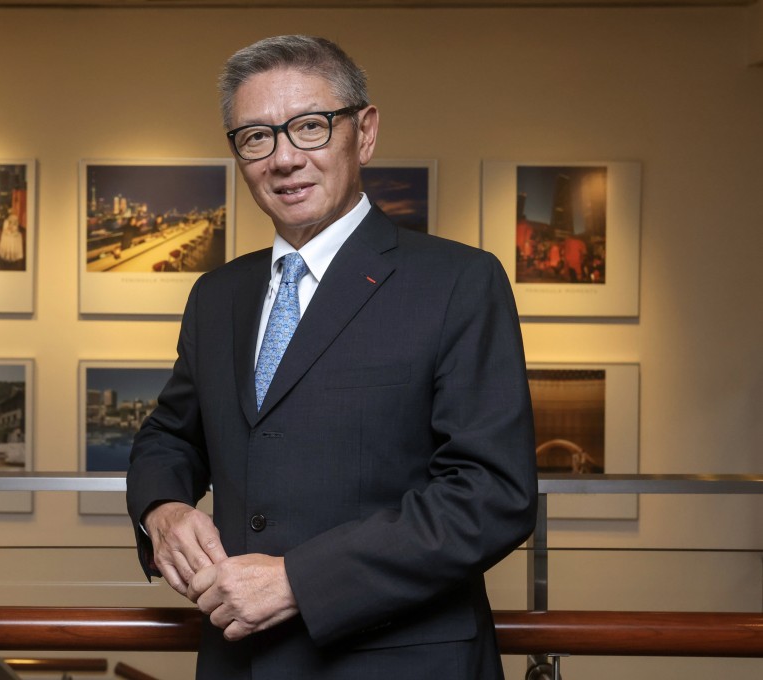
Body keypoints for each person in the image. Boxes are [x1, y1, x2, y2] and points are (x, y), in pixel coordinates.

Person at [127, 35, 537, 680]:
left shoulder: (458, 281)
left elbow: (492, 494)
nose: (284, 158)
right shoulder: (217, 295)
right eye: (256, 137)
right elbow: (170, 436)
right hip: (241, 662)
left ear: (364, 133)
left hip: (400, 665)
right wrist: (163, 510)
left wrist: (301, 581)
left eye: (310, 127)